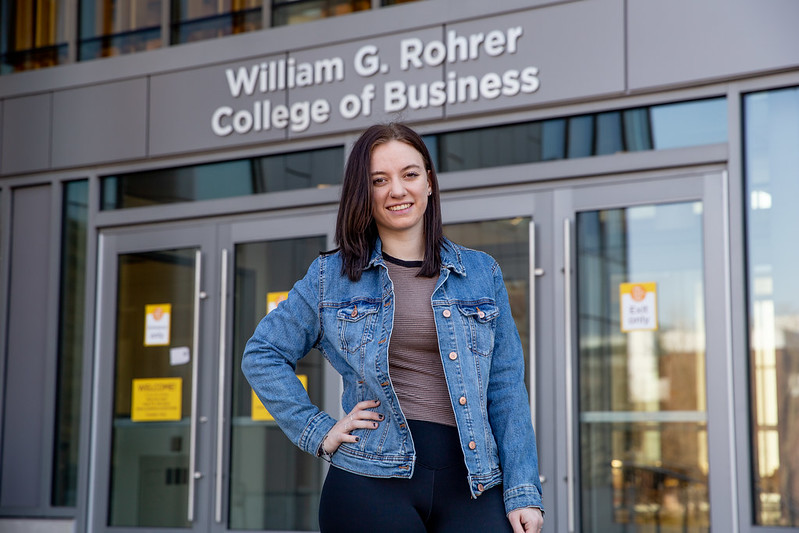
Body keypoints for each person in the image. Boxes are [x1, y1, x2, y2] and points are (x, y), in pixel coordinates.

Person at [242, 123, 544, 533]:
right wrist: (319, 431)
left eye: (409, 174)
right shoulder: (330, 277)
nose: (397, 190)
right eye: (379, 180)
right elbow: (262, 353)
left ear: (430, 183)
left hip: (474, 484)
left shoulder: (480, 271)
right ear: (363, 194)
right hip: (370, 481)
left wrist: (523, 490)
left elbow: (506, 386)